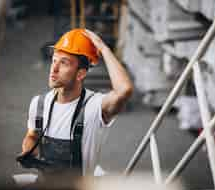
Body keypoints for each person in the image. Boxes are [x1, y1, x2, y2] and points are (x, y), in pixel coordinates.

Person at [20, 28, 133, 179]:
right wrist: (29, 148)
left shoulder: (94, 107)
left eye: (64, 63)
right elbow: (32, 135)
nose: (54, 69)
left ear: (81, 74)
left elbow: (124, 89)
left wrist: (103, 48)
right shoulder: (39, 104)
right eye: (54, 60)